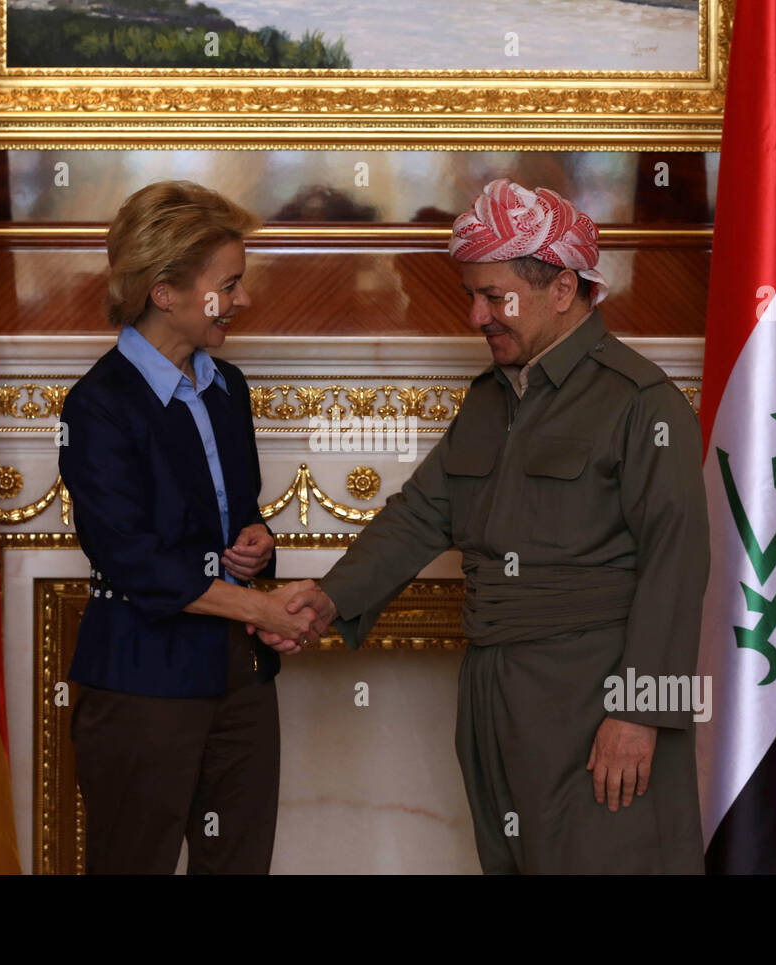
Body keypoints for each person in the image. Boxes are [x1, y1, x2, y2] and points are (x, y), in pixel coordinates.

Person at [262, 178, 711, 873]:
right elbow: (420, 513)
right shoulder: (490, 399)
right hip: (491, 692)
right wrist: (329, 597)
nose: (476, 315)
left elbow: (676, 564)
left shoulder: (642, 402)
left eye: (495, 295)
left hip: (594, 697)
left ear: (563, 288)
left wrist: (641, 711)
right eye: (472, 293)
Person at [59, 180, 320, 874]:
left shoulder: (227, 387)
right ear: (164, 290)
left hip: (241, 680)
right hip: (143, 684)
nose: (243, 300)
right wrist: (261, 605)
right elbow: (133, 560)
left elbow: (230, 517)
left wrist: (257, 540)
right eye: (227, 285)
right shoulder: (97, 407)